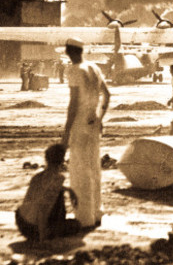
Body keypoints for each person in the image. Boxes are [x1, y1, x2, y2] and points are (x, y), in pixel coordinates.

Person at [61, 37, 110, 230]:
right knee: (94, 168)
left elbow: (73, 105)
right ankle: (96, 213)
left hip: (80, 123)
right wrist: (100, 117)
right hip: (93, 123)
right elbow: (107, 94)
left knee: (80, 171)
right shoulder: (94, 68)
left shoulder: (74, 70)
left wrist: (66, 132)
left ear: (68, 52)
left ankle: (84, 217)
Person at [15, 143, 81, 242]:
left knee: (59, 194)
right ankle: (47, 231)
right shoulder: (58, 179)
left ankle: (48, 229)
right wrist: (43, 238)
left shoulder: (37, 177)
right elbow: (43, 208)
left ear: (46, 159)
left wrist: (68, 190)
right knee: (75, 225)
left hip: (21, 220)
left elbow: (38, 196)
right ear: (62, 161)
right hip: (34, 227)